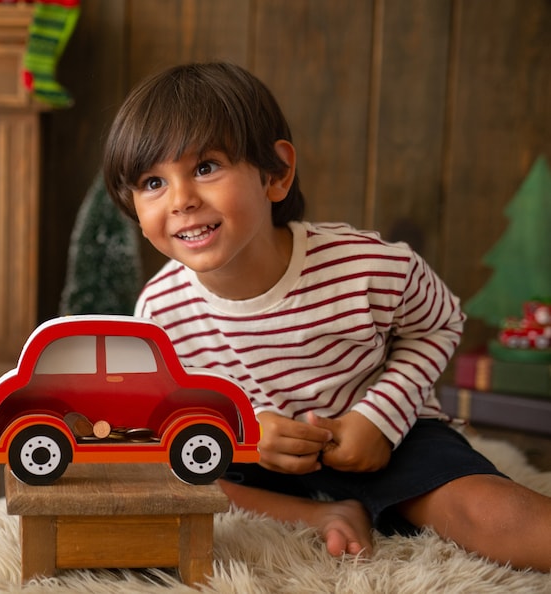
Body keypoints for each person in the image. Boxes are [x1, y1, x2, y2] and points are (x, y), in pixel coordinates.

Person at [102, 62, 551, 572]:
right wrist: (246, 431)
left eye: (206, 167)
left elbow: (440, 322)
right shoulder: (160, 309)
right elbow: (183, 413)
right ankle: (322, 514)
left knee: (491, 513)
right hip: (258, 460)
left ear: (276, 173)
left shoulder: (370, 267)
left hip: (386, 440)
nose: (181, 200)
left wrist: (378, 419)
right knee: (165, 464)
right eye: (153, 181)